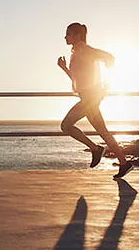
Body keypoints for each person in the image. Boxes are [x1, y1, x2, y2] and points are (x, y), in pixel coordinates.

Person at [57, 22, 133, 178]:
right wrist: (64, 68)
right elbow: (76, 79)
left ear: (77, 36)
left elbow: (109, 57)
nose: (65, 37)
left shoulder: (85, 50)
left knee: (66, 125)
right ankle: (124, 163)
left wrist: (106, 79)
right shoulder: (77, 53)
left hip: (89, 99)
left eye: (68, 34)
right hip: (88, 98)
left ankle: (95, 149)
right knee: (103, 132)